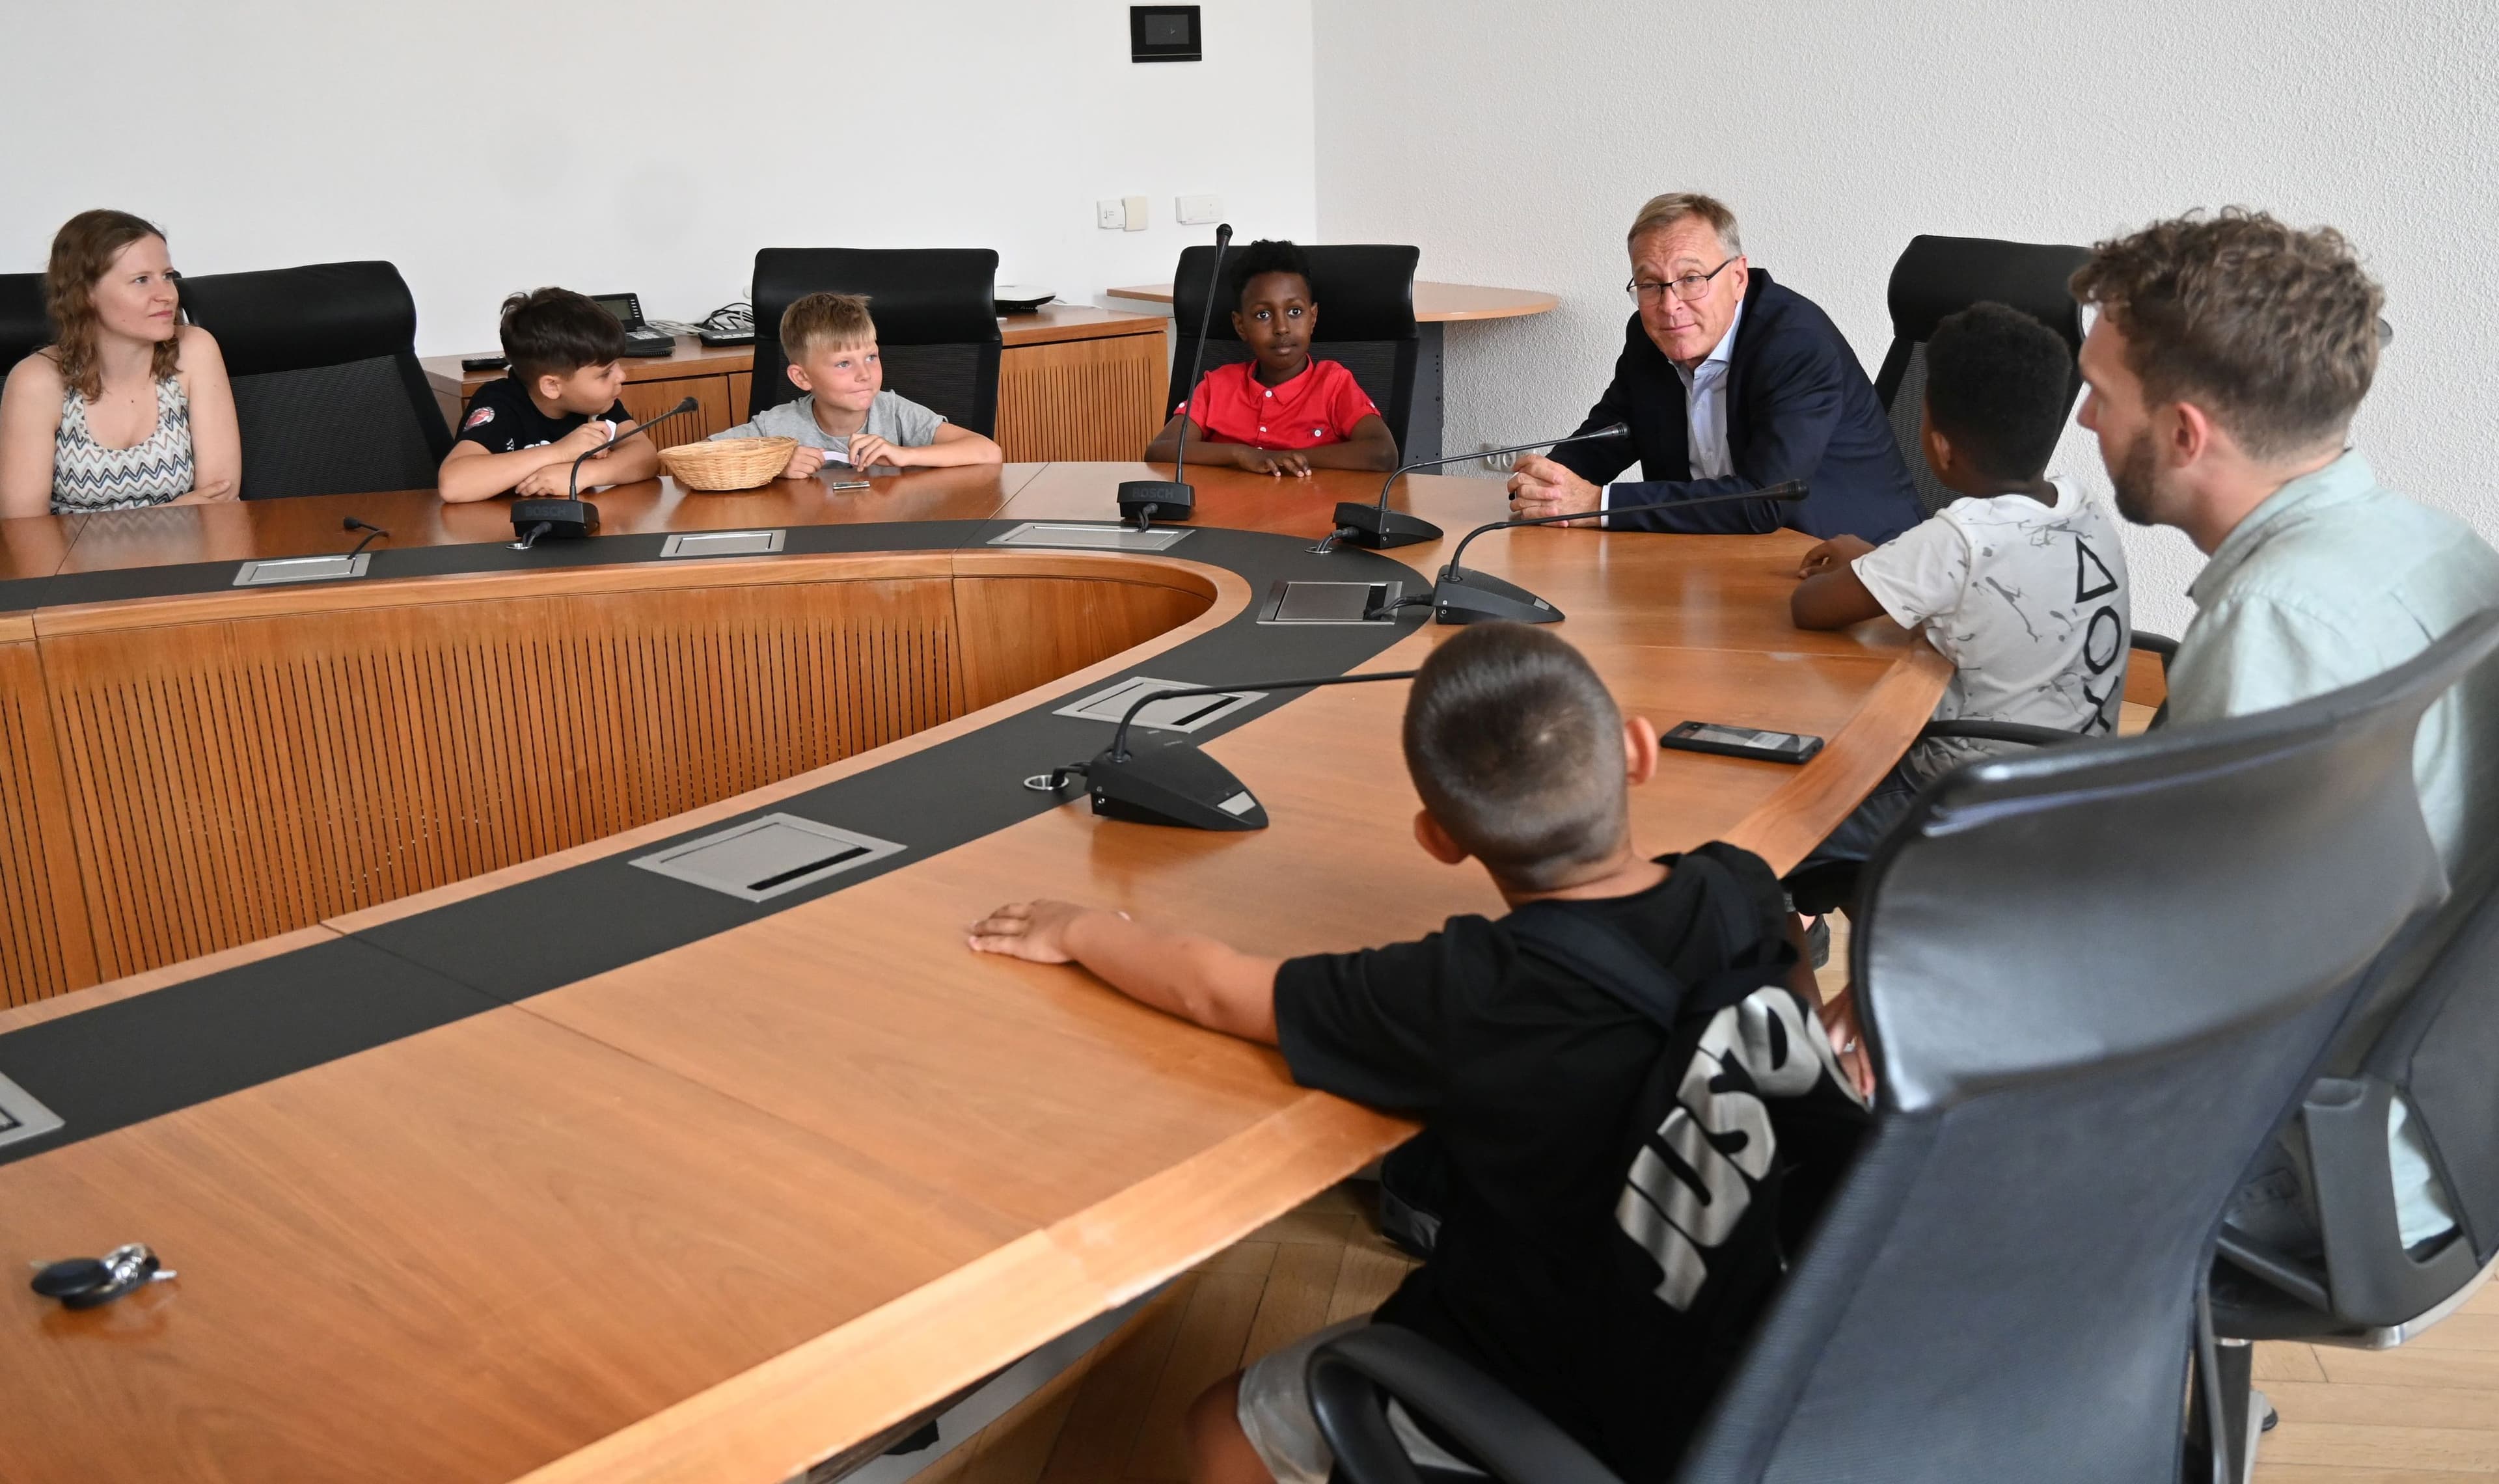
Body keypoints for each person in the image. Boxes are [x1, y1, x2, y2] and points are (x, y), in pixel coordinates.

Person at [967, 623, 1865, 1483]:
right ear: (1638, 751)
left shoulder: (1465, 992)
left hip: (1593, 1389)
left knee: (1220, 1429)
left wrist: (1077, 927)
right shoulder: (1739, 886)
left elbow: (1218, 987)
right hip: (1780, 1339)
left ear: (1436, 838)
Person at [2073, 208, 2499, 1255]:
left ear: (2184, 433)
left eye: (2100, 391)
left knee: (1856, 1141)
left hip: (2310, 1153)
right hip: (2442, 1112)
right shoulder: (2434, 545)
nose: (2081, 417)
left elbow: (2190, 975)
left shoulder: (2280, 625)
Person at [1787, 301, 2130, 1092]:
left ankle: (1811, 1056)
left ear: (1935, 439)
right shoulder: (2083, 510)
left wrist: (1855, 569)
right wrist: (1876, 561)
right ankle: (1873, 1012)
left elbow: (1814, 609)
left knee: (1751, 857)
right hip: (2072, 787)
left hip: (1953, 799)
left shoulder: (1960, 536)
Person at [1506, 193, 1921, 543]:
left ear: (1738, 277)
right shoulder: (1650, 336)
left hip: (1853, 568)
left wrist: (1597, 504)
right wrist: (1550, 484)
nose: (1670, 306)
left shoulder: (1796, 345)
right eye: (1650, 285)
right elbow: (1611, 434)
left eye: (1691, 279)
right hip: (1720, 559)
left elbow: (1766, 500)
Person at [0, 209, 241, 517]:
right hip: (75, 566)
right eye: (141, 280)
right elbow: (26, 534)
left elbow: (221, 501)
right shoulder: (36, 381)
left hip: (191, 559)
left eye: (167, 276)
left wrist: (105, 530)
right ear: (86, 294)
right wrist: (168, 515)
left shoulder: (195, 350)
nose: (166, 294)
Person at [1143, 238, 1400, 476]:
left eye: (1295, 311)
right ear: (1240, 325)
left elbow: (1384, 453)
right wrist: (1243, 454)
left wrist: (1289, 459)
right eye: (1263, 315)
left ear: (1313, 318)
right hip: (1228, 514)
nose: (1282, 327)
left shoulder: (1333, 383)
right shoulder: (1217, 385)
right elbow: (1161, 449)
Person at [708, 291, 1002, 477]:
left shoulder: (894, 412)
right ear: (802, 378)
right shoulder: (778, 425)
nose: (865, 374)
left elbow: (988, 452)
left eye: (871, 357)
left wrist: (904, 454)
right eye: (844, 364)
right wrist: (773, 464)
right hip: (813, 547)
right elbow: (699, 458)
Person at [438, 288, 661, 504]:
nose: (621, 376)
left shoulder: (597, 402)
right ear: (552, 386)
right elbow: (454, 484)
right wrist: (560, 452)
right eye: (605, 373)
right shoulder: (500, 403)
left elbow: (646, 457)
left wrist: (582, 474)